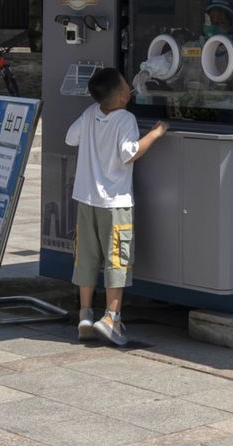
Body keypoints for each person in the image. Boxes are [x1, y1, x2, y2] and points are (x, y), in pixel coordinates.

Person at [65, 67, 167, 346]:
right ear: (122, 95)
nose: (130, 89)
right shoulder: (126, 119)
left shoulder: (89, 114)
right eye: (126, 85)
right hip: (115, 203)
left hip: (86, 199)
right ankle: (112, 318)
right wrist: (156, 133)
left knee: (85, 256)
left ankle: (85, 315)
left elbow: (70, 138)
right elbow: (129, 153)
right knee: (117, 259)